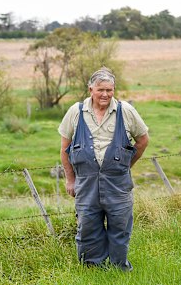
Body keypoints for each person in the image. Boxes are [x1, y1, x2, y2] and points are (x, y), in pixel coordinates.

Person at [59, 67, 149, 271]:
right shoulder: (76, 111)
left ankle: (119, 269)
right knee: (88, 227)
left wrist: (125, 165)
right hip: (86, 183)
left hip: (118, 184)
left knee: (120, 227)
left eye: (109, 90)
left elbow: (143, 140)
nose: (105, 94)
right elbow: (65, 149)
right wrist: (70, 180)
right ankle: (93, 270)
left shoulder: (126, 111)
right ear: (90, 89)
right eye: (101, 90)